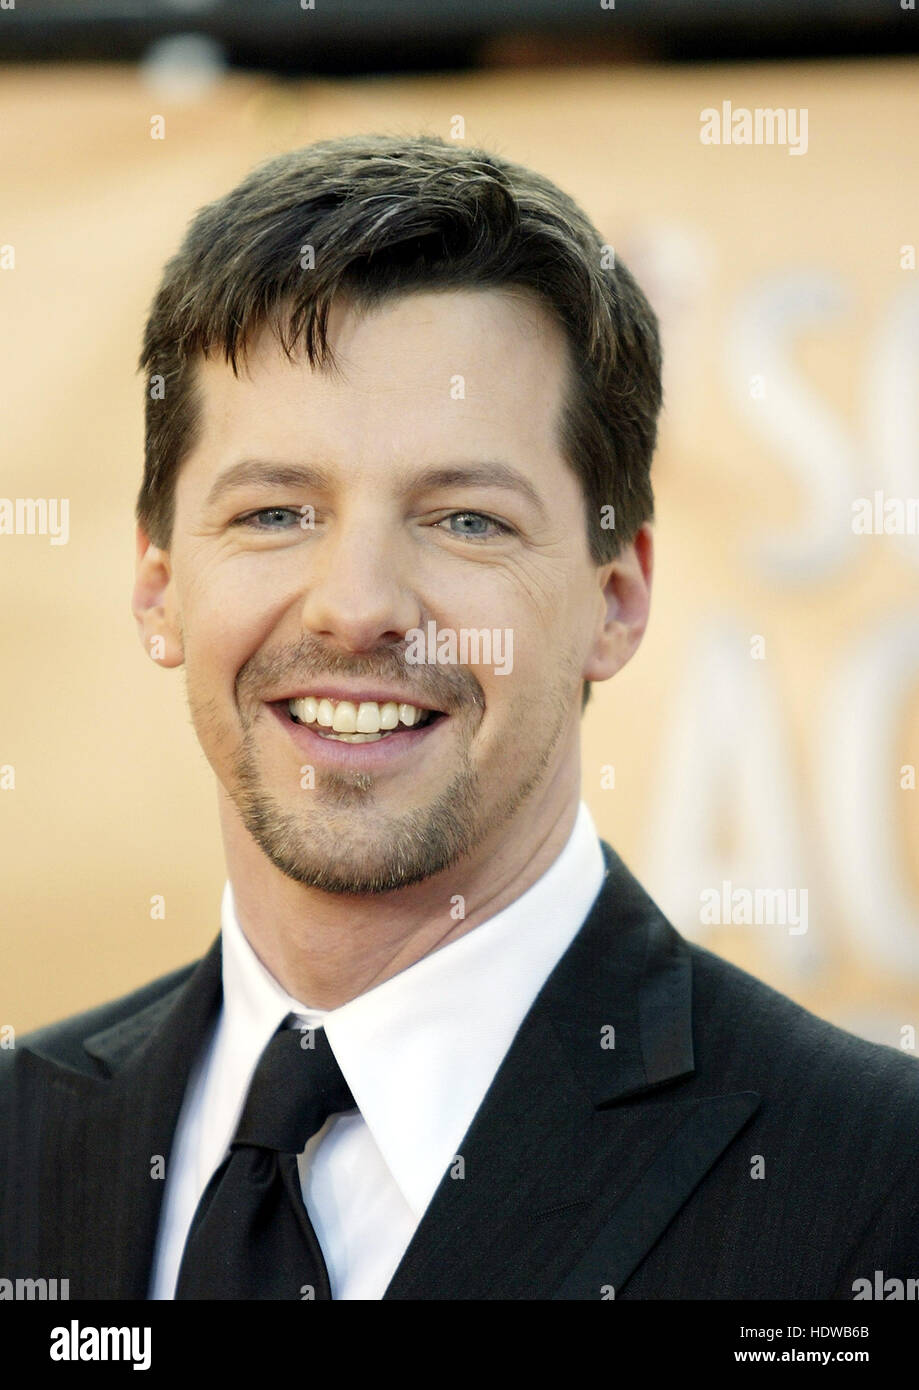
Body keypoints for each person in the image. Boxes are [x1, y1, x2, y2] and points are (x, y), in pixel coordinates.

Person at [2, 133, 917, 1302]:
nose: (358, 607)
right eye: (276, 512)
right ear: (156, 583)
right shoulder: (19, 1141)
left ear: (617, 600)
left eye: (466, 520)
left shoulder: (872, 1191)